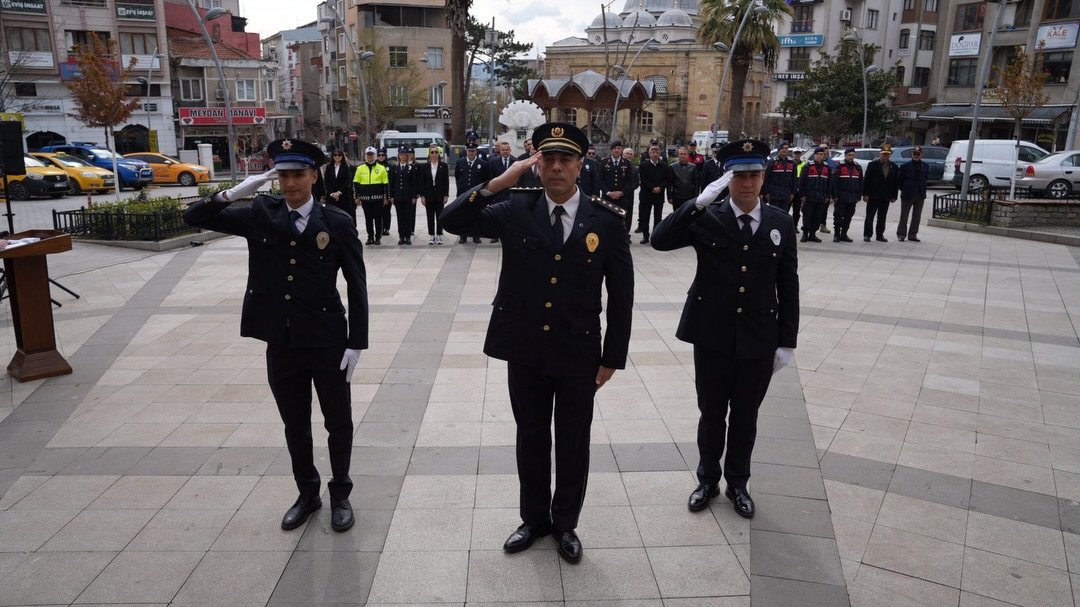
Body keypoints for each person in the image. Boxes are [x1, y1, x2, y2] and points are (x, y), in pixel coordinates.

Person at [439, 122, 634, 565]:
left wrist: (612, 358)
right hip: (524, 348)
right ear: (537, 164)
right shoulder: (516, 208)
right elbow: (452, 221)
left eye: (566, 159)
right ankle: (533, 519)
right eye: (548, 159)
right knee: (530, 437)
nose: (557, 167)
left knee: (572, 441)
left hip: (578, 352)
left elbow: (622, 294)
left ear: (581, 166)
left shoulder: (605, 220)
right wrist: (499, 182)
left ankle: (565, 523)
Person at [182, 138, 368, 533]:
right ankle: (307, 493)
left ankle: (340, 494)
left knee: (338, 422)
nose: (289, 184)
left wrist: (356, 342)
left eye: (297, 175)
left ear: (314, 176)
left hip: (327, 340)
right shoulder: (260, 214)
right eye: (282, 175)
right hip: (281, 342)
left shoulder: (336, 221)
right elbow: (193, 216)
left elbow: (357, 285)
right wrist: (235, 192)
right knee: (294, 423)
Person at [650, 139, 799, 519]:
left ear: (763, 177)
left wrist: (787, 343)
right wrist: (696, 204)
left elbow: (789, 284)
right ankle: (706, 480)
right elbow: (660, 240)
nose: (747, 183)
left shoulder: (781, 222)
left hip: (758, 336)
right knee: (712, 412)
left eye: (754, 175)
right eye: (739, 176)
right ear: (727, 178)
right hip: (712, 335)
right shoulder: (707, 217)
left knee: (746, 415)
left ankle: (738, 483)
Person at [352, 146, 389, 245]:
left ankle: (378, 237)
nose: (370, 157)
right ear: (365, 156)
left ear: (375, 156)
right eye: (368, 155)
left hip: (378, 199)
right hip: (365, 199)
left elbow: (386, 184)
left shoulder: (381, 168)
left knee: (377, 219)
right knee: (368, 219)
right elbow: (355, 184)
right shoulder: (360, 168)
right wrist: (356, 197)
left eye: (371, 155)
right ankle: (370, 237)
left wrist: (386, 197)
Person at [862, 144, 900, 242]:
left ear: (890, 155)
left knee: (882, 217)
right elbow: (867, 180)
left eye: (887, 154)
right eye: (883, 154)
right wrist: (865, 194)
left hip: (885, 197)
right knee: (870, 216)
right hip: (873, 196)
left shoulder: (894, 166)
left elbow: (895, 182)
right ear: (880, 154)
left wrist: (894, 196)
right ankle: (867, 234)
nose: (885, 156)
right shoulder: (872, 165)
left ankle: (880, 235)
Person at [455, 143, 491, 243]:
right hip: (463, 194)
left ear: (476, 152)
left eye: (473, 151)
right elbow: (457, 177)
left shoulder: (483, 164)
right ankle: (463, 235)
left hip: (477, 194)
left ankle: (476, 235)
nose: (471, 153)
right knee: (463, 215)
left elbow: (486, 180)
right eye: (469, 151)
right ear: (466, 151)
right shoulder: (460, 162)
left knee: (476, 214)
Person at [637, 144, 672, 244]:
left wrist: (660, 187)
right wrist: (652, 188)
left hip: (659, 195)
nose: (655, 154)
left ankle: (655, 236)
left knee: (658, 216)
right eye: (653, 152)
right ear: (649, 154)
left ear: (659, 154)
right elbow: (642, 179)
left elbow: (667, 179)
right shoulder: (643, 165)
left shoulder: (664, 165)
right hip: (646, 194)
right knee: (645, 216)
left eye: (657, 152)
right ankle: (645, 236)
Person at [797, 146, 833, 243]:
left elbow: (830, 183)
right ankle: (805, 235)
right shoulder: (808, 166)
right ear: (814, 155)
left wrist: (827, 196)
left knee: (817, 216)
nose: (819, 156)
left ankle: (813, 234)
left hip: (821, 197)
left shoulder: (827, 168)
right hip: (809, 196)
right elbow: (801, 182)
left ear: (823, 156)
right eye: (817, 154)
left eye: (821, 154)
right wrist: (802, 195)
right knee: (807, 216)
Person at [896, 145, 930, 242]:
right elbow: (900, 181)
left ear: (921, 155)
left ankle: (913, 234)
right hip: (908, 194)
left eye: (918, 154)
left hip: (920, 194)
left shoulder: (926, 166)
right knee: (904, 215)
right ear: (912, 154)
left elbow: (925, 179)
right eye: (914, 154)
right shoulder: (905, 166)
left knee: (917, 216)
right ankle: (901, 234)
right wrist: (904, 189)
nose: (916, 155)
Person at [418, 146, 450, 245]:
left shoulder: (443, 166)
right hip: (428, 195)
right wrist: (422, 196)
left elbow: (446, 181)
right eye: (432, 152)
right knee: (430, 215)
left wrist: (446, 195)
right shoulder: (425, 166)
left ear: (439, 154)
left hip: (440, 195)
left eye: (436, 152)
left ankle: (439, 234)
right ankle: (432, 235)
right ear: (429, 154)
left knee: (440, 215)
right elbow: (422, 182)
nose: (434, 154)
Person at [486, 141, 517, 243]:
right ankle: (495, 235)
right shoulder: (493, 162)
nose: (505, 152)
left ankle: (510, 234)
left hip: (511, 193)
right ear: (500, 150)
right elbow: (490, 179)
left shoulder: (515, 162)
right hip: (498, 193)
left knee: (511, 216)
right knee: (497, 214)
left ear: (510, 150)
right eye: (503, 150)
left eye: (507, 150)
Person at [388, 147, 419, 245]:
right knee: (400, 217)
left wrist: (414, 196)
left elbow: (414, 183)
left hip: (408, 197)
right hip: (398, 197)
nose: (402, 156)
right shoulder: (395, 168)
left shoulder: (411, 168)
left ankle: (408, 237)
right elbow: (391, 183)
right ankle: (401, 236)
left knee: (408, 217)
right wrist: (391, 196)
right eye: (401, 154)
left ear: (407, 156)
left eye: (404, 154)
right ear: (399, 155)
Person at [601, 141, 633, 234]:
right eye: (614, 148)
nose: (616, 150)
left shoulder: (626, 163)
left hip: (622, 199)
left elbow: (629, 181)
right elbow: (600, 180)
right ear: (611, 150)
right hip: (607, 198)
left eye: (619, 148)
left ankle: (620, 239)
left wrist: (622, 192)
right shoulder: (604, 162)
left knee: (621, 222)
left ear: (621, 150)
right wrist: (609, 193)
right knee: (607, 220)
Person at [833, 147, 863, 242]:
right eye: (849, 155)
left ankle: (844, 234)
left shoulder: (858, 167)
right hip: (841, 196)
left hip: (852, 197)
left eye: (852, 155)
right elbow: (834, 182)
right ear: (845, 155)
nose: (851, 157)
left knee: (848, 216)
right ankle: (837, 234)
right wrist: (835, 195)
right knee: (838, 216)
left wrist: (859, 195)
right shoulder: (839, 166)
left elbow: (861, 182)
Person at [763, 141, 797, 216]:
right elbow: (766, 178)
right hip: (774, 194)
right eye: (782, 148)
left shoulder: (792, 163)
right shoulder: (772, 162)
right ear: (779, 150)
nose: (784, 150)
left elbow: (794, 179)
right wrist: (766, 193)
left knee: (784, 215)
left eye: (786, 148)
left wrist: (793, 193)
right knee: (774, 215)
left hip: (786, 194)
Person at [323, 150, 356, 224]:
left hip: (343, 196)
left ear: (342, 157)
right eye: (335, 155)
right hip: (331, 197)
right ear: (332, 156)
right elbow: (326, 181)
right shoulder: (329, 167)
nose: (337, 157)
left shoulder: (345, 167)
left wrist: (339, 192)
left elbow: (347, 181)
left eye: (339, 155)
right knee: (332, 218)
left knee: (343, 217)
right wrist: (332, 193)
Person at [621, 147, 640, 236]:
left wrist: (626, 190)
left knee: (628, 215)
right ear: (623, 155)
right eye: (626, 153)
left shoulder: (635, 169)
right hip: (618, 195)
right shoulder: (617, 166)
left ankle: (626, 234)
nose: (628, 155)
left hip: (629, 195)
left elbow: (636, 183)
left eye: (630, 154)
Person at [377, 147, 392, 237]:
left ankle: (386, 228)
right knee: (379, 212)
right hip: (378, 192)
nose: (381, 157)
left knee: (386, 211)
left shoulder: (389, 167)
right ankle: (380, 228)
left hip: (387, 192)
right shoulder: (375, 166)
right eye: (379, 155)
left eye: (383, 155)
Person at [790, 147, 806, 231]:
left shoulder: (804, 164)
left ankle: (794, 226)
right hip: (790, 190)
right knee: (785, 210)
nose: (797, 155)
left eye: (799, 153)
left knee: (796, 211)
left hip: (799, 191)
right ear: (793, 154)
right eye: (796, 153)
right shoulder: (790, 164)